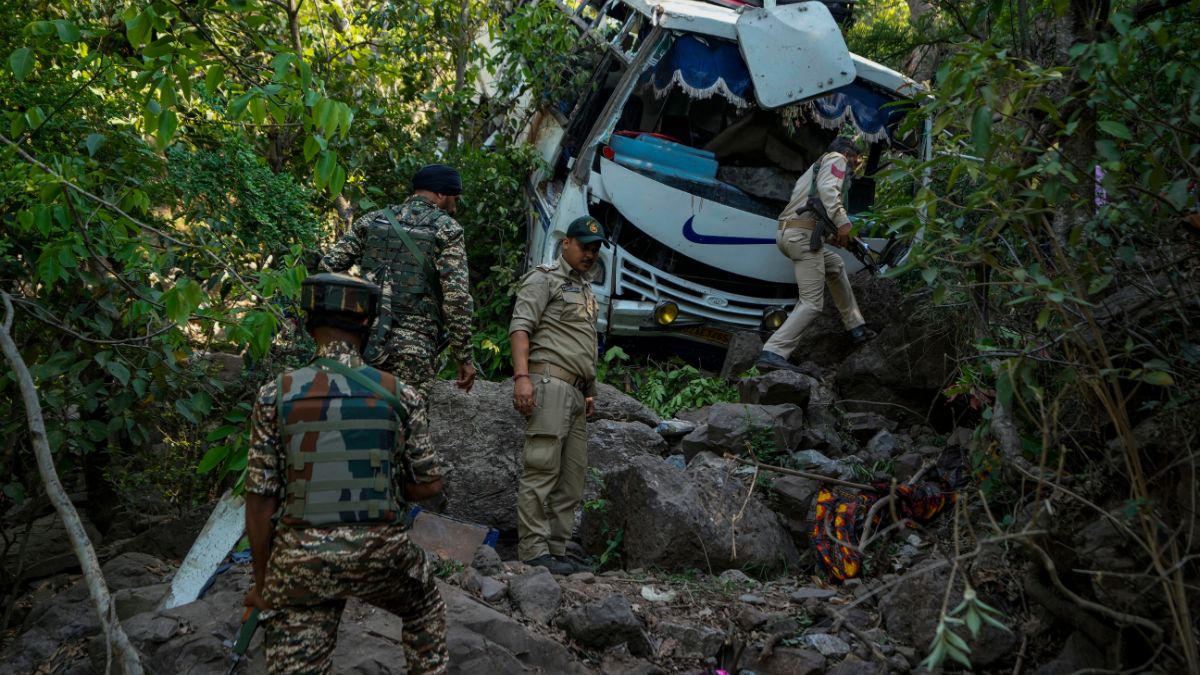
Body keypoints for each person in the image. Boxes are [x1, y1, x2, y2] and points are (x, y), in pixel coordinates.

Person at [242, 273, 448, 675]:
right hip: (382, 556)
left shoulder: (275, 394)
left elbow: (260, 499)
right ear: (369, 326)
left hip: (301, 560)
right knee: (425, 606)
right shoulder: (401, 393)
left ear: (308, 323)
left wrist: (264, 585)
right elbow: (429, 484)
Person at [320, 164, 476, 408]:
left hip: (365, 342)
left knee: (361, 419)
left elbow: (328, 267)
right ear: (441, 195)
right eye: (455, 199)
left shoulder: (372, 220)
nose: (455, 207)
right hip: (413, 348)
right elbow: (456, 298)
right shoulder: (448, 229)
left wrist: (353, 315)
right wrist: (464, 356)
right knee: (405, 426)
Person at [508, 216, 607, 576]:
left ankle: (557, 547)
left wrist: (590, 391)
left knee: (572, 476)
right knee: (541, 468)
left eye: (595, 249)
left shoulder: (584, 289)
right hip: (548, 382)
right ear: (566, 243)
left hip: (577, 393)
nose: (590, 254)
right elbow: (521, 328)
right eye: (584, 246)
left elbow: (584, 345)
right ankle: (533, 551)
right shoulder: (543, 278)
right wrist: (522, 378)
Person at [756, 138, 878, 373]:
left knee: (835, 265)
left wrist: (834, 237)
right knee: (812, 303)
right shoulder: (836, 159)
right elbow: (829, 192)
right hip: (801, 237)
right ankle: (773, 351)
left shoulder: (814, 170)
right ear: (846, 153)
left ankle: (856, 327)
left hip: (792, 232)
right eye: (856, 160)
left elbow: (813, 207)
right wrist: (844, 225)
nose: (855, 167)